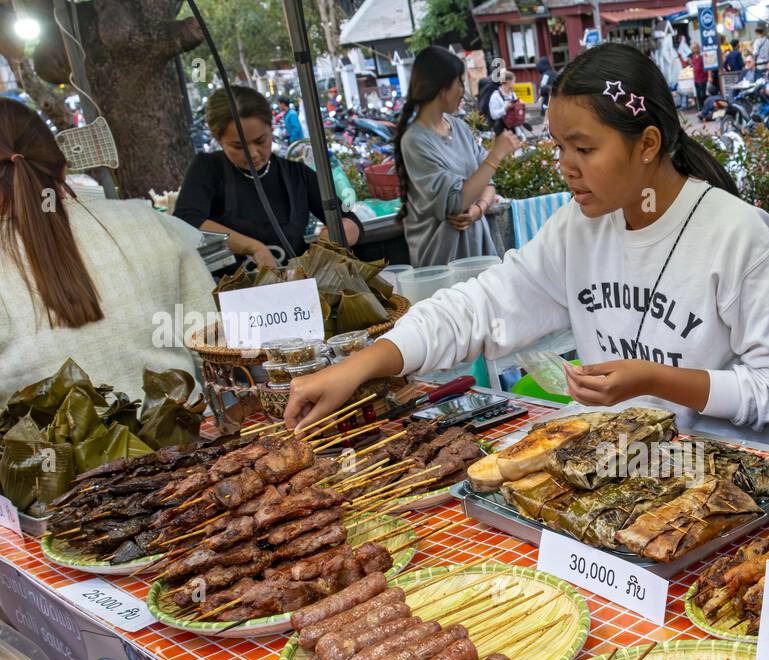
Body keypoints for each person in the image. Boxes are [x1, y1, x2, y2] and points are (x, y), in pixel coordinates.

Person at [285, 43, 769, 448]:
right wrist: (362, 363)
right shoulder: (576, 229)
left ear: (648, 144)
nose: (566, 167)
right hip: (622, 469)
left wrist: (658, 380)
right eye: (559, 146)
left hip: (731, 482)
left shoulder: (738, 237)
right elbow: (481, 307)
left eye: (584, 148)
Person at [0, 99, 205, 403]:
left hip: (52, 453)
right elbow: (219, 342)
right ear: (62, 164)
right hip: (197, 444)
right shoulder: (146, 222)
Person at [175, 86, 361, 269]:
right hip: (234, 290)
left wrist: (334, 237)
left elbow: (350, 220)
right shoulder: (208, 169)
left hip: (297, 287)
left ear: (271, 129)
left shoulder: (297, 175)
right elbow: (186, 221)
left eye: (260, 141)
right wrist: (253, 248)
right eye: (238, 146)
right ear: (218, 139)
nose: (253, 154)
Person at [394, 46, 520, 267]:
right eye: (459, 83)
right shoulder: (415, 141)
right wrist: (497, 154)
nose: (463, 90)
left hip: (479, 256)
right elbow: (455, 202)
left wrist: (478, 209)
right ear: (442, 89)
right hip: (442, 264)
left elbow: (487, 182)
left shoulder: (460, 128)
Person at [691, 42, 709, 107]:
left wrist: (709, 77)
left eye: (695, 48)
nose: (694, 50)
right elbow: (693, 67)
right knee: (698, 95)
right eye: (692, 48)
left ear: (698, 48)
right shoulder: (693, 57)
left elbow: (708, 66)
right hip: (696, 79)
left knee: (703, 94)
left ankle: (706, 106)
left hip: (703, 78)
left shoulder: (703, 56)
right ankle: (701, 108)